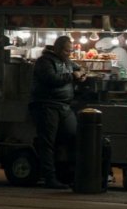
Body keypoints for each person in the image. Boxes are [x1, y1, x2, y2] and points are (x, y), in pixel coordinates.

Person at [30, 35, 87, 189]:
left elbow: (80, 69)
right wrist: (72, 76)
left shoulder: (67, 61)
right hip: (47, 105)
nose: (69, 53)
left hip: (64, 106)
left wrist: (81, 74)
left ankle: (68, 174)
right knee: (48, 143)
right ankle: (49, 177)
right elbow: (52, 79)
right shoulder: (44, 62)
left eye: (70, 51)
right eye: (66, 51)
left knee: (74, 136)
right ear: (57, 48)